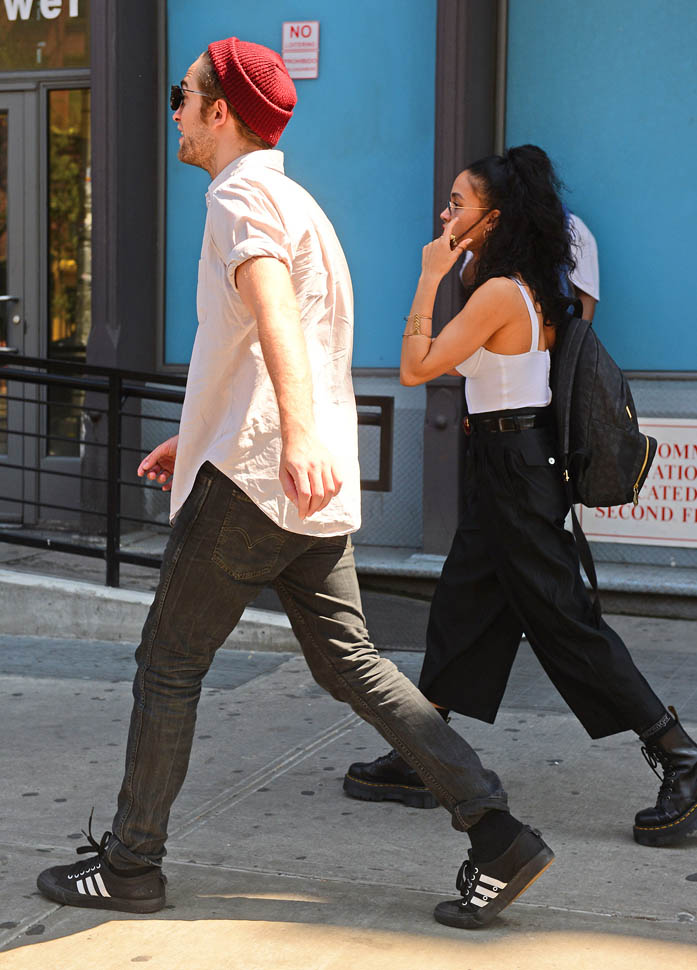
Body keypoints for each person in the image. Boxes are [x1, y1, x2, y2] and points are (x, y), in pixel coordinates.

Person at [35, 40, 554, 931]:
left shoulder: (238, 197)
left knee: (168, 665)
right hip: (297, 476)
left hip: (259, 479)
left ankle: (130, 866)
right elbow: (271, 340)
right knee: (351, 663)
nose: (174, 110)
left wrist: (289, 435)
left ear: (220, 112)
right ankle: (497, 835)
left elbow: (274, 308)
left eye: (183, 95)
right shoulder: (297, 202)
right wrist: (205, 435)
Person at [344, 145, 697, 849]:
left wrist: (427, 275)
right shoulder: (511, 281)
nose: (444, 214)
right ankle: (424, 754)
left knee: (564, 621)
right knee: (462, 607)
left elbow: (415, 367)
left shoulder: (501, 292)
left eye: (457, 204)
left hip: (514, 468)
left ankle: (681, 755)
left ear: (494, 217)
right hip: (506, 461)